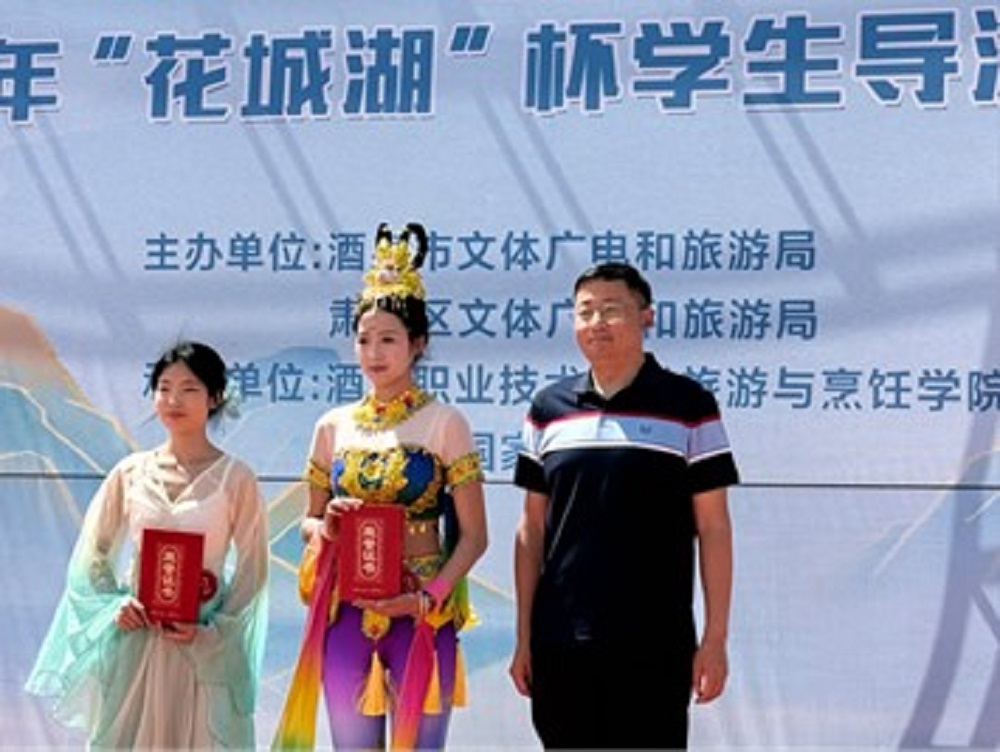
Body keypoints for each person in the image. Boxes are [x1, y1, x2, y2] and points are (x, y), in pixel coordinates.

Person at [273, 222, 488, 751]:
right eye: (364, 339)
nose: (374, 351)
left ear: (418, 344)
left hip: (421, 610)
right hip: (348, 610)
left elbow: (474, 536)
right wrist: (326, 526)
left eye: (388, 338)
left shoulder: (445, 423)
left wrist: (429, 599)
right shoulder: (332, 426)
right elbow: (308, 523)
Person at [509, 261, 740, 750]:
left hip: (654, 642)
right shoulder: (548, 410)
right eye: (585, 312)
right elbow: (531, 530)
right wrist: (524, 636)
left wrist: (715, 639)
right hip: (561, 642)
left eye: (611, 309)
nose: (596, 323)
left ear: (646, 316)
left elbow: (714, 528)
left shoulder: (688, 405)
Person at [25, 340, 270, 749]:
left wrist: (211, 633)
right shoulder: (130, 473)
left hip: (200, 647)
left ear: (214, 398)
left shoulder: (236, 478)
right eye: (164, 388)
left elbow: (252, 572)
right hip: (137, 642)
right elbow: (91, 557)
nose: (174, 400)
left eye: (189, 389)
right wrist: (114, 607)